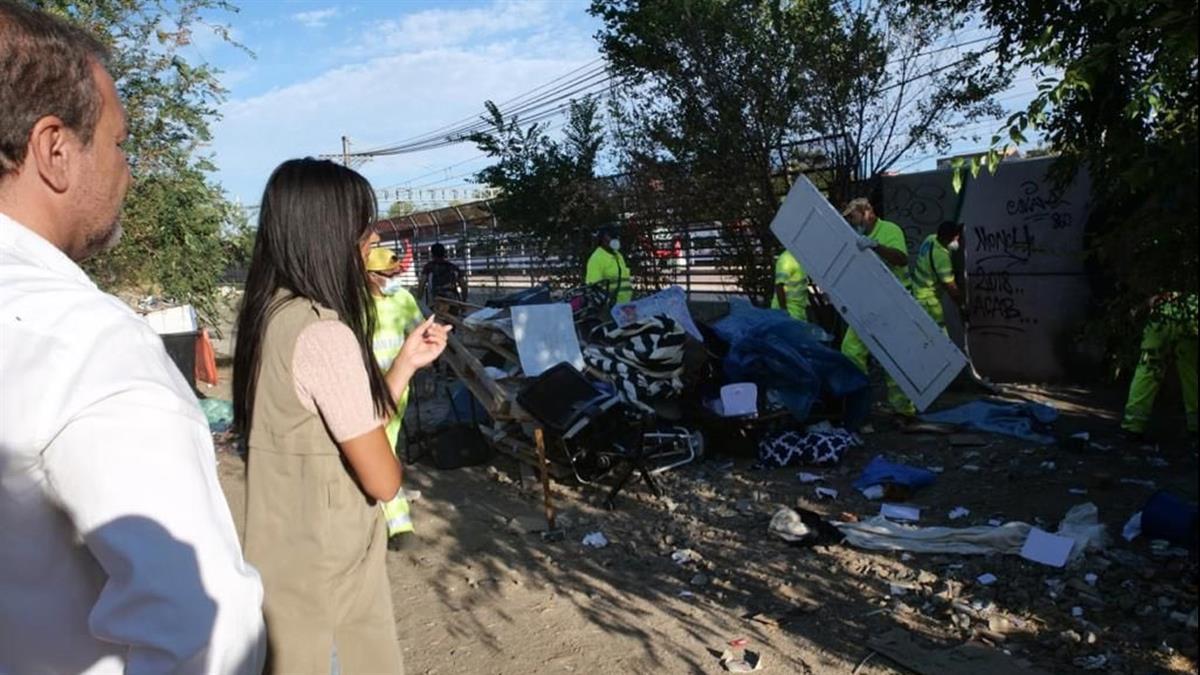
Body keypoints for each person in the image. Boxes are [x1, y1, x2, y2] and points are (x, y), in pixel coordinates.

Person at [0, 4, 265, 673]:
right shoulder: (86, 341)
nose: (129, 173)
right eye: (120, 145)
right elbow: (209, 636)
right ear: (55, 150)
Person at [232, 158, 449, 674]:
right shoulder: (324, 334)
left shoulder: (271, 315)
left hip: (286, 565)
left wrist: (403, 365)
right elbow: (382, 479)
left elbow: (336, 424)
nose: (370, 245)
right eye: (363, 230)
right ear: (329, 234)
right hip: (330, 585)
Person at [365, 243, 423, 549]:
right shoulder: (355, 303)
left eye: (394, 272)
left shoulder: (403, 298)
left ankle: (394, 519)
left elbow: (419, 332)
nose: (392, 277)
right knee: (381, 447)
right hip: (365, 388)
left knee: (386, 445)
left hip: (398, 388)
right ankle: (396, 522)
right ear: (370, 275)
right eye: (386, 273)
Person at [840, 197, 917, 418]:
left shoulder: (889, 230)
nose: (852, 222)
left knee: (894, 356)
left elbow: (901, 259)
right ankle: (860, 404)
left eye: (853, 216)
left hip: (895, 301)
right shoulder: (857, 237)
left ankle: (903, 410)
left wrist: (876, 246)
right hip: (869, 301)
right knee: (850, 350)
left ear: (867, 212)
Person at [1120, 293, 1198, 442]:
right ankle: (1195, 428)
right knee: (1191, 375)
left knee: (1148, 370)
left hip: (1162, 312)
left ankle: (1133, 426)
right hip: (1191, 313)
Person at [911, 221, 965, 328]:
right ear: (946, 240)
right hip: (929, 302)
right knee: (940, 339)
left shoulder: (930, 239)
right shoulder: (941, 258)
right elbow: (951, 288)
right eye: (955, 239)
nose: (957, 241)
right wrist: (963, 306)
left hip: (917, 294)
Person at [586, 225, 633, 306]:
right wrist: (607, 304)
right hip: (610, 308)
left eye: (616, 236)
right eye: (611, 237)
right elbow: (593, 287)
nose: (615, 239)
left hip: (625, 307)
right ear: (602, 239)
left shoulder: (618, 256)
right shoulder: (597, 258)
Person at [418, 241, 467, 307]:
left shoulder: (428, 268)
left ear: (432, 254)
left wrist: (418, 301)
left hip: (435, 304)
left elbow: (421, 284)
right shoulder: (453, 267)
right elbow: (463, 285)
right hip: (452, 303)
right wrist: (463, 301)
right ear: (444, 253)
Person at [770, 249, 809, 321]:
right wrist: (784, 312)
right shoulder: (786, 259)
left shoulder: (801, 258)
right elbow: (779, 286)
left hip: (798, 312)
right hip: (788, 313)